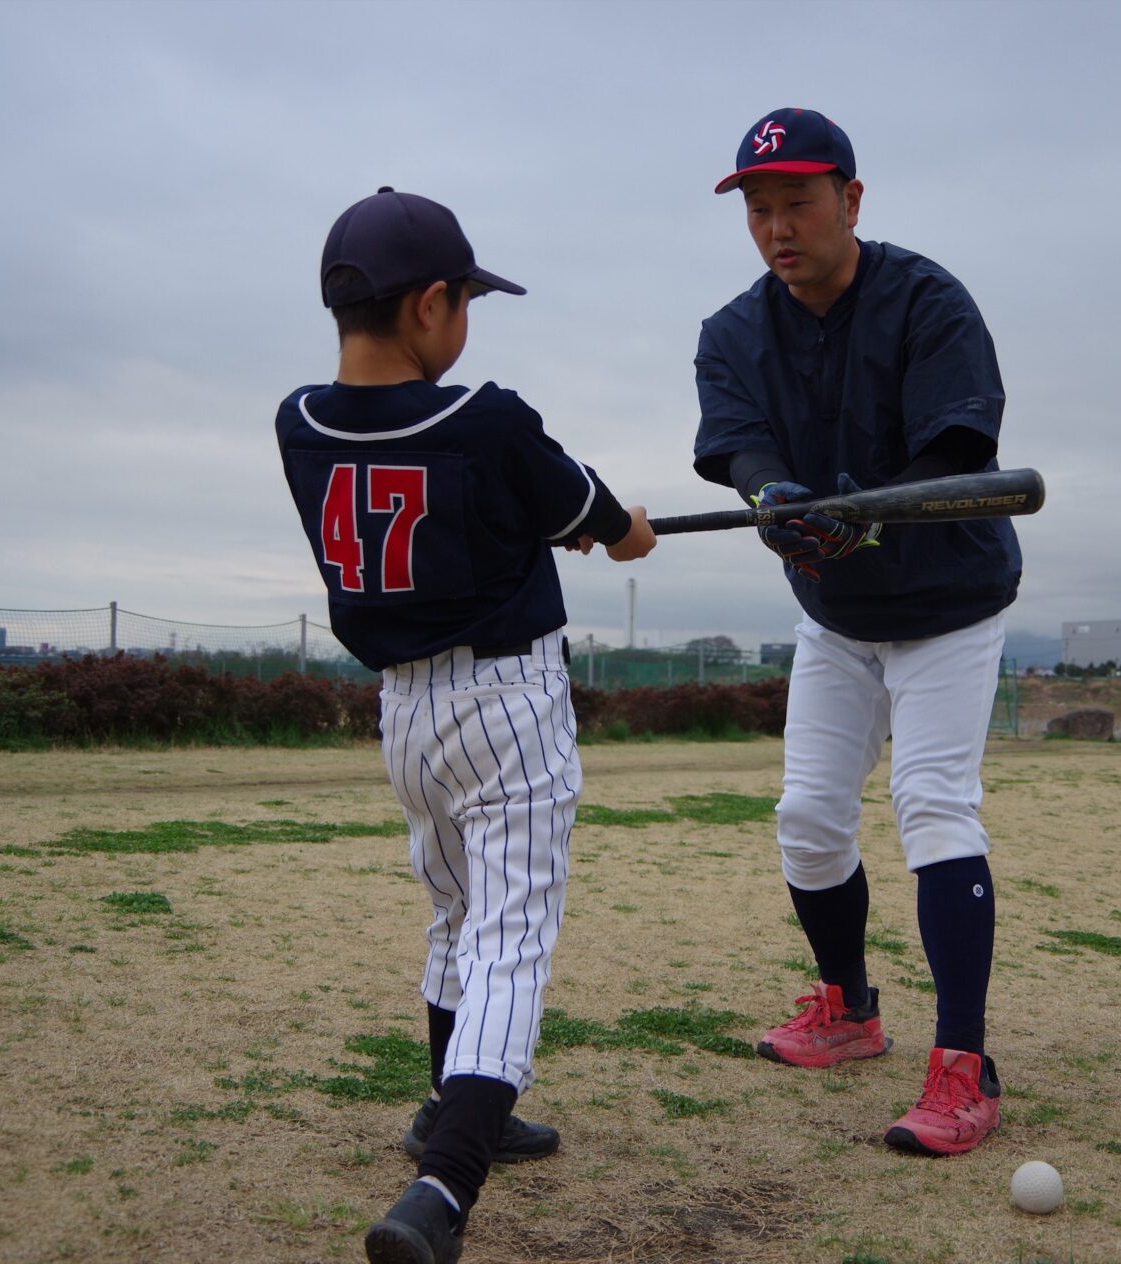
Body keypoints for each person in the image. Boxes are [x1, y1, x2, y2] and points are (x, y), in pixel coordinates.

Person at [276, 187, 656, 1264]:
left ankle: (448, 1104)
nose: (468, 321)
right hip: (506, 706)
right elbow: (602, 519)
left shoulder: (298, 423)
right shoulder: (486, 417)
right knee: (508, 939)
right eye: (465, 301)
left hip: (404, 716)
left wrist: (531, 521)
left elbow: (464, 500)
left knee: (454, 912)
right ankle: (444, 1187)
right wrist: (621, 529)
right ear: (428, 304)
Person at [692, 110, 1021, 1157]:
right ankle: (848, 1009)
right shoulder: (731, 331)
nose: (777, 227)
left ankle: (964, 1065)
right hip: (834, 610)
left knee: (932, 804)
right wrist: (774, 496)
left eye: (797, 202)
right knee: (806, 818)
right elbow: (738, 444)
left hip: (948, 602)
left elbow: (957, 451)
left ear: (851, 199)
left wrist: (866, 513)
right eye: (758, 208)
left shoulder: (927, 300)